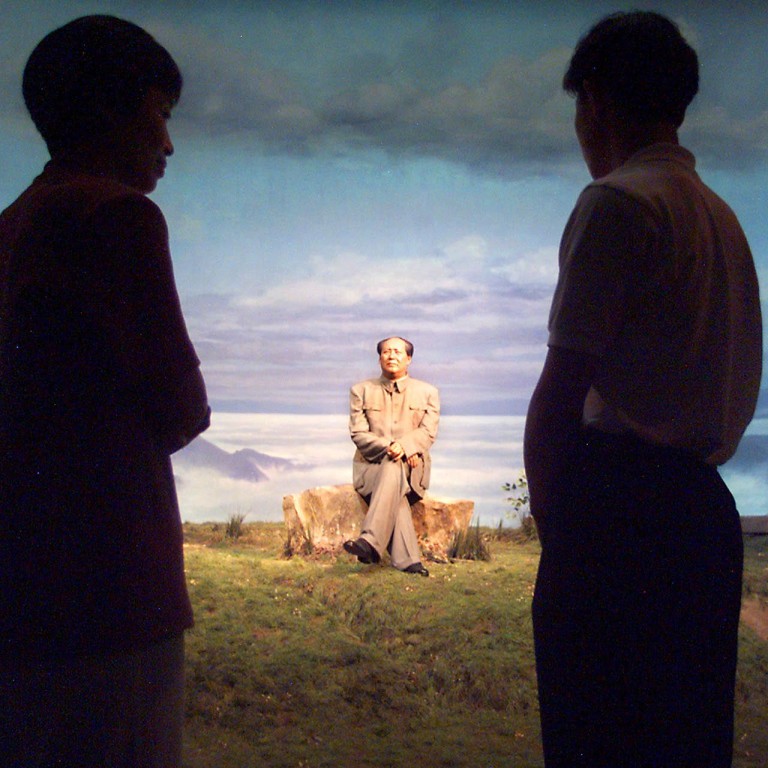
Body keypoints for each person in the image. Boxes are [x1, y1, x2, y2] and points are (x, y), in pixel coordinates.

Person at [524, 11, 762, 768]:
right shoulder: (721, 218)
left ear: (592, 98)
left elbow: (561, 390)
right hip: (703, 517)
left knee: (594, 735)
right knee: (686, 739)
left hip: (618, 515)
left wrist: (561, 531)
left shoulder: (618, 204)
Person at [0, 16, 210, 767]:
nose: (168, 143)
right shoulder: (117, 217)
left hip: (21, 581)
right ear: (109, 111)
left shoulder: (13, 223)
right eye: (160, 114)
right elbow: (184, 409)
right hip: (113, 582)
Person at [344, 336, 440, 577]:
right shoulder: (361, 391)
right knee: (392, 465)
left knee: (394, 466)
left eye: (397, 352)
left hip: (413, 471)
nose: (391, 356)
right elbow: (358, 434)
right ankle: (408, 562)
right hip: (370, 470)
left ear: (408, 359)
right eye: (386, 352)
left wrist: (406, 446)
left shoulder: (428, 393)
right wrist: (394, 448)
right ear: (379, 359)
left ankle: (370, 543)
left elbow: (428, 432)